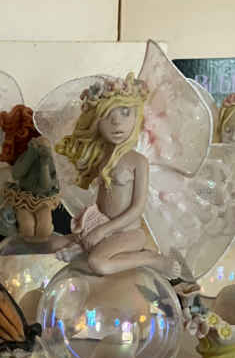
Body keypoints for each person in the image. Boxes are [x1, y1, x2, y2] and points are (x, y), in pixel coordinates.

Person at [48, 74, 180, 277]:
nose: (117, 122)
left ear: (137, 116)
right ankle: (82, 249)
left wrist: (103, 231)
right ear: (96, 121)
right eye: (107, 115)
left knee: (98, 263)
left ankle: (150, 258)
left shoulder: (138, 161)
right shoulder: (101, 156)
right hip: (99, 224)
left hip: (127, 232)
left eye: (125, 113)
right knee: (55, 243)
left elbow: (137, 209)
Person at [0, 104, 59, 239]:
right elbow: (17, 174)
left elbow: (46, 186)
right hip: (24, 198)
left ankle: (39, 242)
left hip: (43, 200)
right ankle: (21, 235)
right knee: (27, 228)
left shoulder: (50, 161)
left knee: (44, 229)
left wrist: (44, 164)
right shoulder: (27, 154)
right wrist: (31, 153)